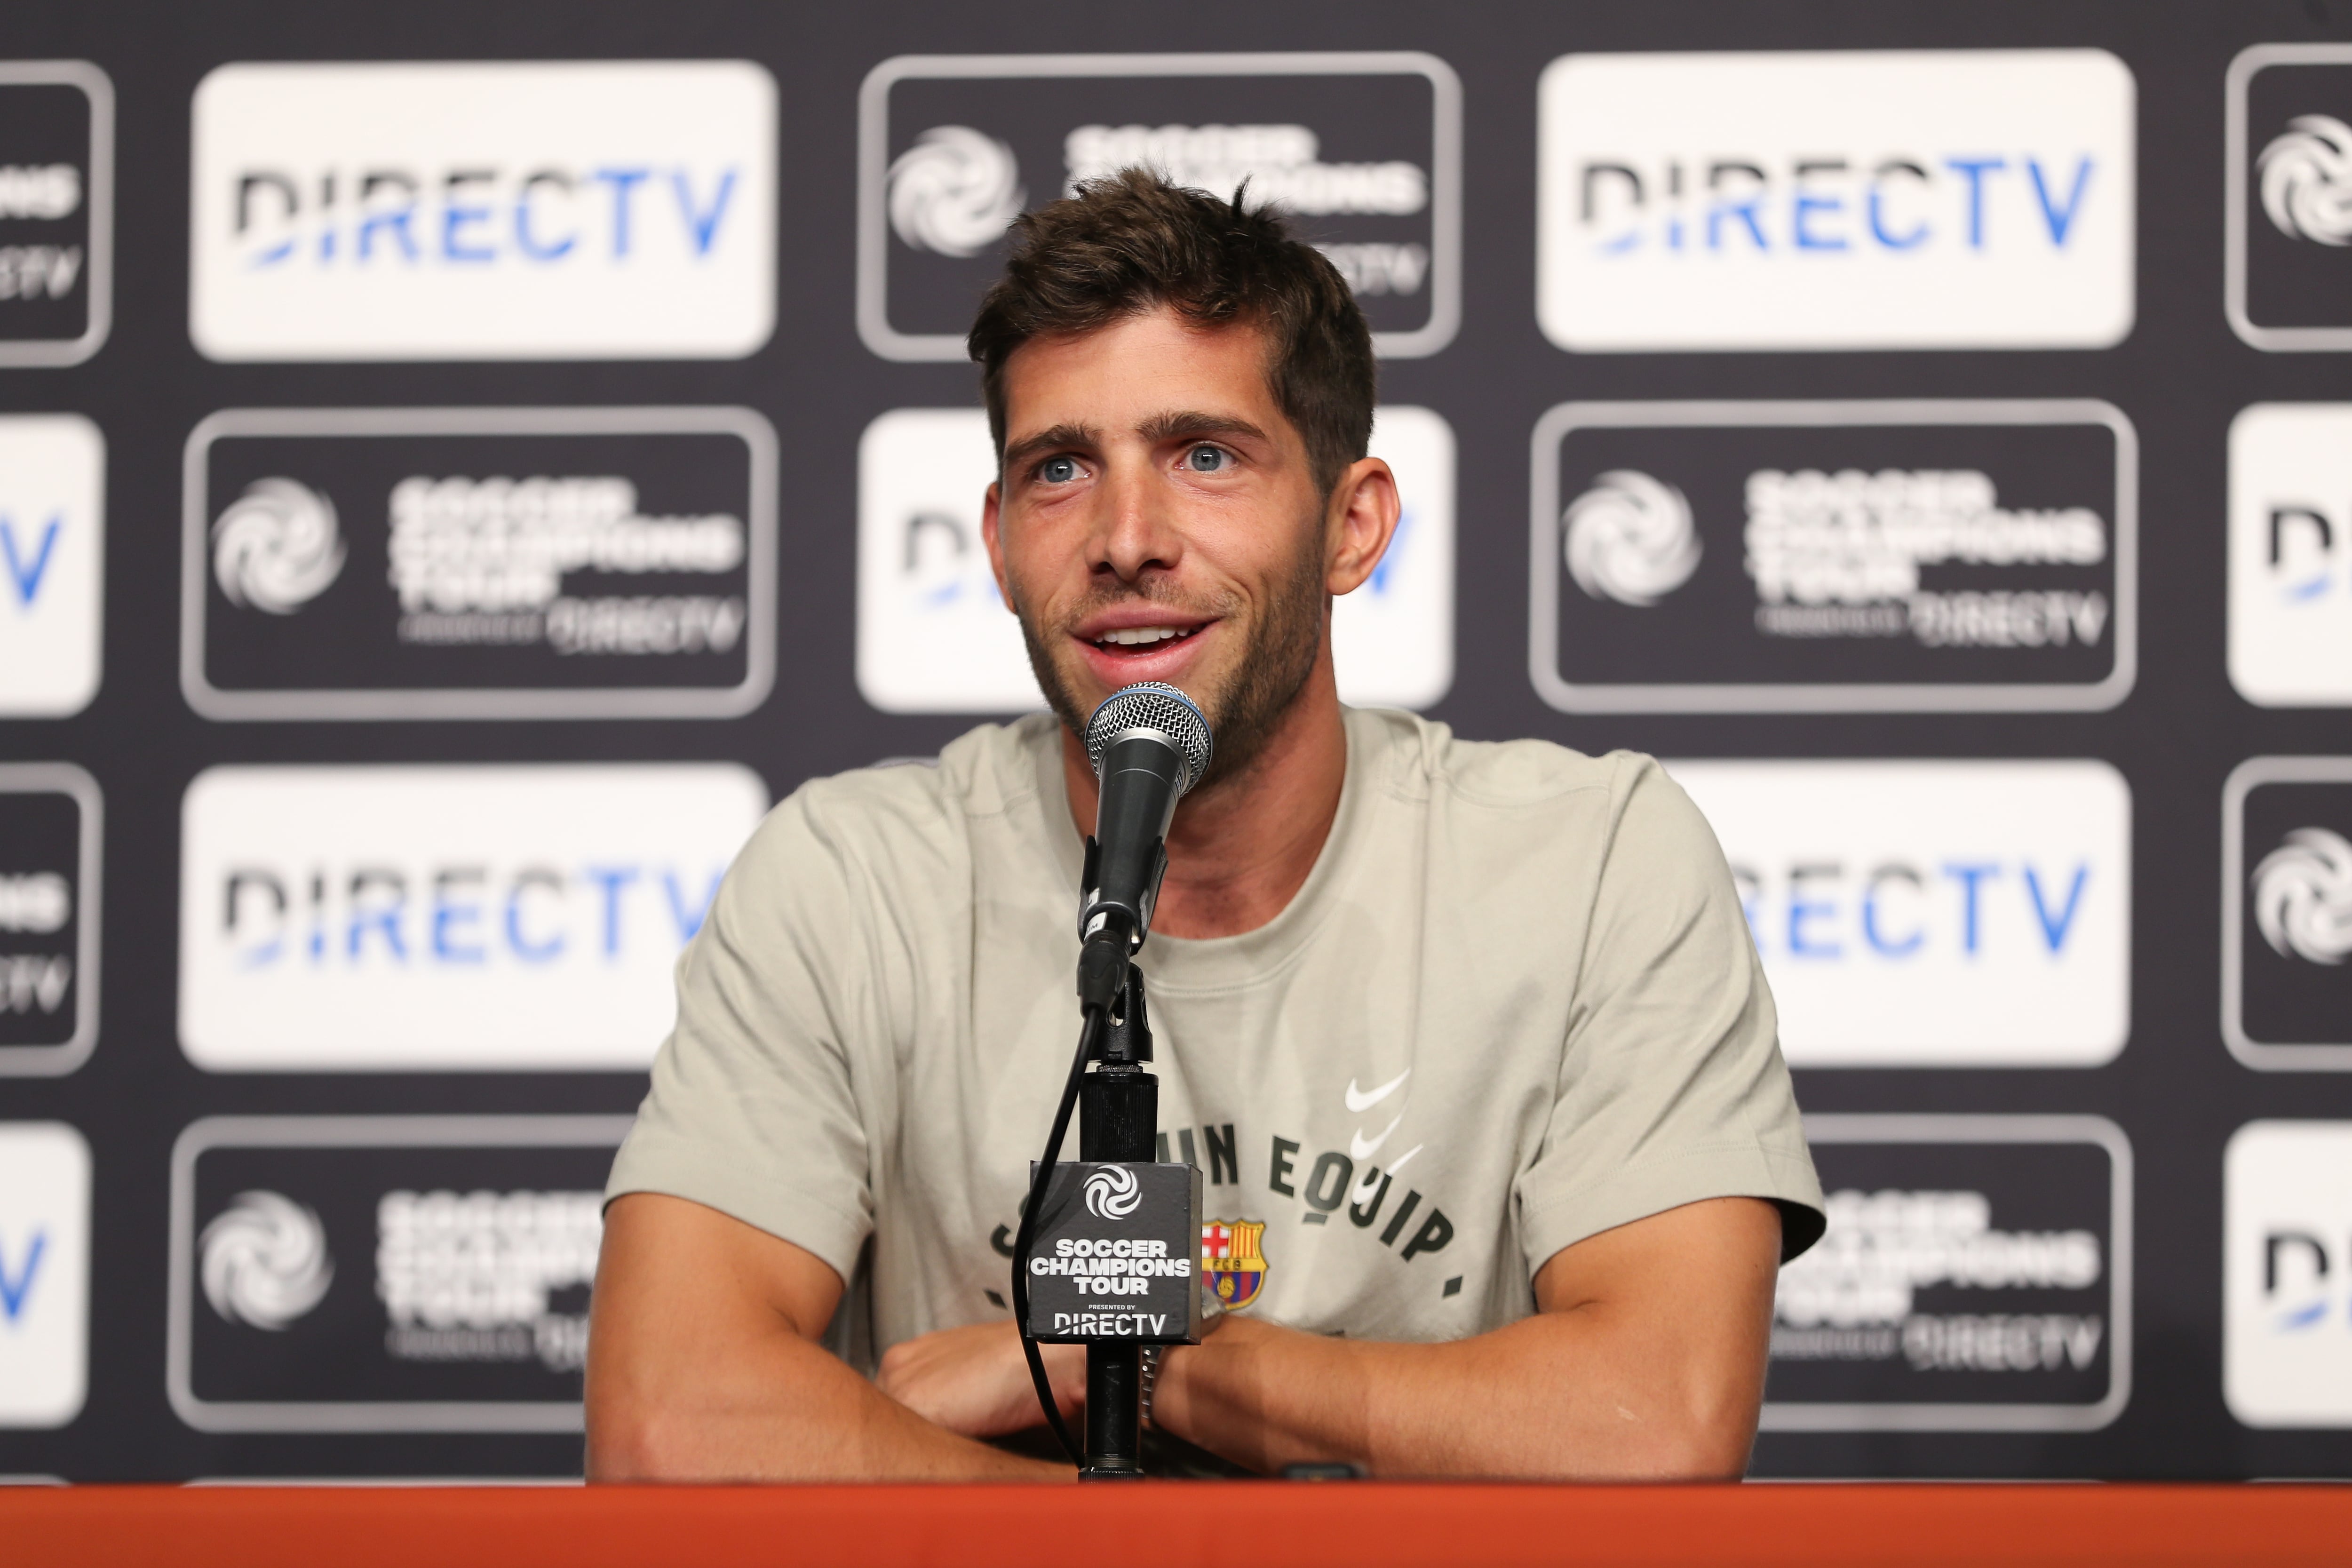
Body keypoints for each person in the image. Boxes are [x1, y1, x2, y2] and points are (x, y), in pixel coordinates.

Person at [585, 170, 1822, 1482]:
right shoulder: (849, 879)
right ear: (1001, 543)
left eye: (1206, 457)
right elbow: (672, 1423)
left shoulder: (1594, 861)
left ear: (1353, 526)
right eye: (1062, 469)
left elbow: (1657, 1415)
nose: (1128, 538)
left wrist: (1150, 1361)